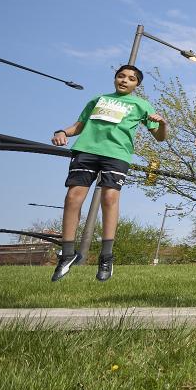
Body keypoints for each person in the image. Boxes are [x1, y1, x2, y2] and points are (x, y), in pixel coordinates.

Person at [50, 64, 168, 283]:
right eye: (121, 76)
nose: (124, 80)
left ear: (137, 85)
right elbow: (79, 126)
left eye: (131, 78)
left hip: (116, 154)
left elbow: (160, 138)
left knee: (109, 198)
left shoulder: (142, 105)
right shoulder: (98, 100)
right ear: (115, 78)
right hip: (86, 151)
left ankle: (106, 257)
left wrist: (163, 124)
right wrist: (62, 132)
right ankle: (67, 254)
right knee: (73, 198)